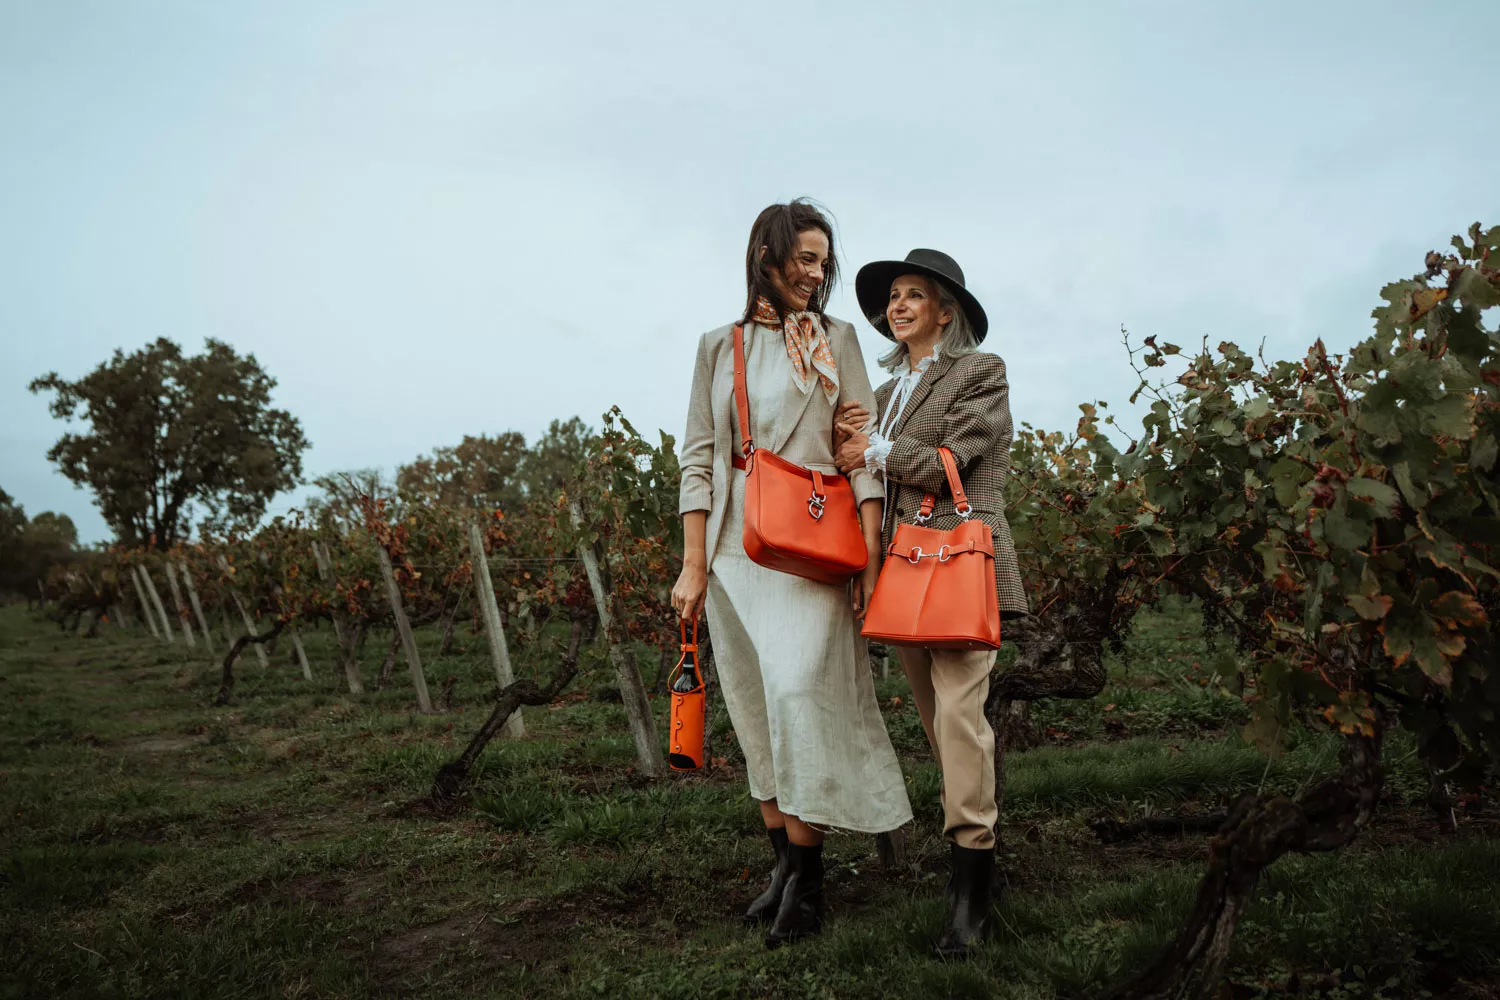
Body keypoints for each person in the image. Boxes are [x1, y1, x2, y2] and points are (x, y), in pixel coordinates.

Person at [672, 201, 913, 948]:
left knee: (799, 697)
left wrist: (871, 557)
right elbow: (697, 456)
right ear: (766, 258)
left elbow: (858, 449)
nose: (816, 272)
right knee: (754, 707)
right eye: (803, 258)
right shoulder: (720, 346)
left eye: (822, 260)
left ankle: (809, 885)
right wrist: (691, 566)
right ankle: (782, 866)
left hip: (811, 549)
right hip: (734, 554)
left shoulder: (838, 340)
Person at [833, 248, 1028, 959]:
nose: (899, 305)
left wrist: (877, 451)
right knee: (934, 720)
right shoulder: (885, 393)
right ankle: (977, 872)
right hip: (903, 575)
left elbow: (960, 457)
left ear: (946, 310)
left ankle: (971, 886)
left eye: (914, 294)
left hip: (959, 562)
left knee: (959, 716)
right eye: (893, 296)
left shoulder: (980, 371)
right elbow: (866, 476)